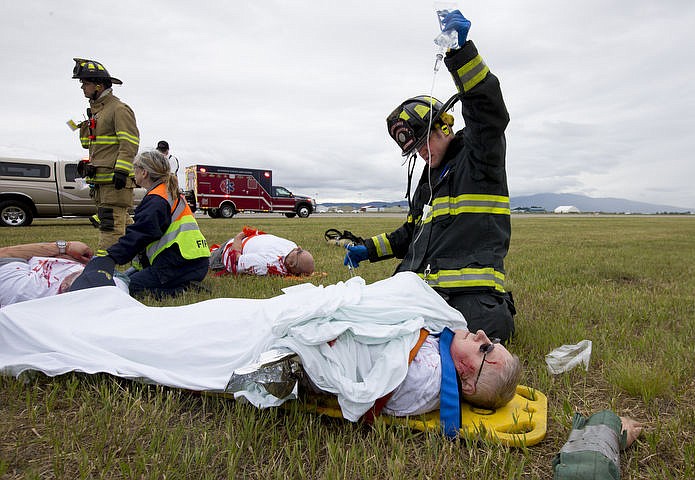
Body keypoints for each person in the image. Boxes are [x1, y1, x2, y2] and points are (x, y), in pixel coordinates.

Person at [0, 271, 520, 425]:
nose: (481, 335)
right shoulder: (437, 352)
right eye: (489, 339)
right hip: (276, 319)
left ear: (468, 383)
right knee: (192, 317)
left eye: (486, 349)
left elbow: (360, 370)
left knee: (168, 338)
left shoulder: (426, 379)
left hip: (273, 338)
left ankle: (48, 329)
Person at [344, 11, 516, 343]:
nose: (422, 153)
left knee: (468, 335)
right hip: (418, 290)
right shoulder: (429, 181)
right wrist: (366, 249)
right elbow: (409, 235)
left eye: (425, 142)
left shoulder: (480, 156)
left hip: (470, 298)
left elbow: (488, 113)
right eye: (415, 151)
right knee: (363, 321)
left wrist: (460, 55)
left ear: (444, 126)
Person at [84, 150, 210, 298]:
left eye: (135, 168)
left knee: (127, 287)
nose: (133, 172)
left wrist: (111, 257)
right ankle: (180, 283)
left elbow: (140, 234)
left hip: (180, 265)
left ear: (144, 173)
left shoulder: (157, 199)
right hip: (189, 262)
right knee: (126, 279)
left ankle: (183, 290)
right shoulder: (165, 192)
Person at [71, 58, 140, 253]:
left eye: (85, 83)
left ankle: (104, 265)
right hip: (102, 182)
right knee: (125, 225)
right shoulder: (99, 112)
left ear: (99, 86)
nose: (82, 87)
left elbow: (130, 142)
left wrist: (122, 170)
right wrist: (85, 126)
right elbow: (88, 145)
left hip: (114, 181)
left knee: (111, 226)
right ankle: (140, 255)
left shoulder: (118, 109)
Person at [0, 241, 127, 307]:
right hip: (108, 276)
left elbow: (5, 253)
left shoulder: (19, 287)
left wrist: (64, 247)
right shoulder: (114, 288)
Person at [212, 226, 315, 276]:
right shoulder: (267, 263)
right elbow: (236, 260)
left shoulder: (291, 245)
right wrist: (239, 237)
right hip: (225, 252)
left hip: (246, 240)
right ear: (291, 264)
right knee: (202, 262)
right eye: (299, 274)